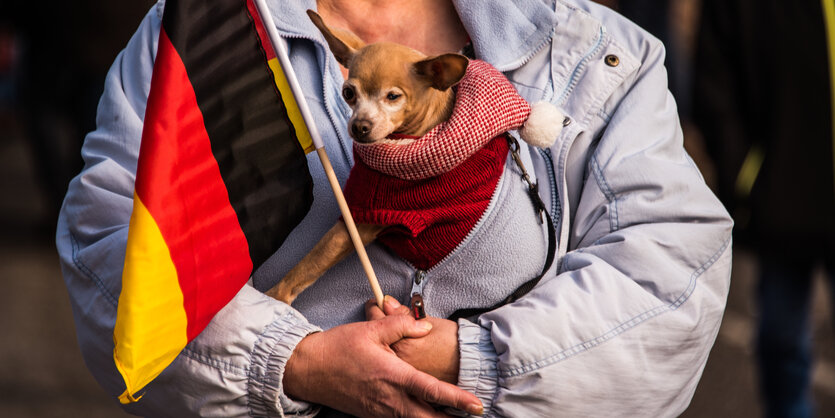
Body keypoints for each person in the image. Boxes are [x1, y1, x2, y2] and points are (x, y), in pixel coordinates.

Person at [57, 0, 733, 416]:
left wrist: (473, 361)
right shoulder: (208, 26)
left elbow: (669, 268)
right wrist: (294, 362)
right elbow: (112, 232)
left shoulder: (595, 53)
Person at [694, 0, 835, 416]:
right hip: (782, 199)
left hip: (781, 193)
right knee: (782, 339)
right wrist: (746, 174)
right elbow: (713, 79)